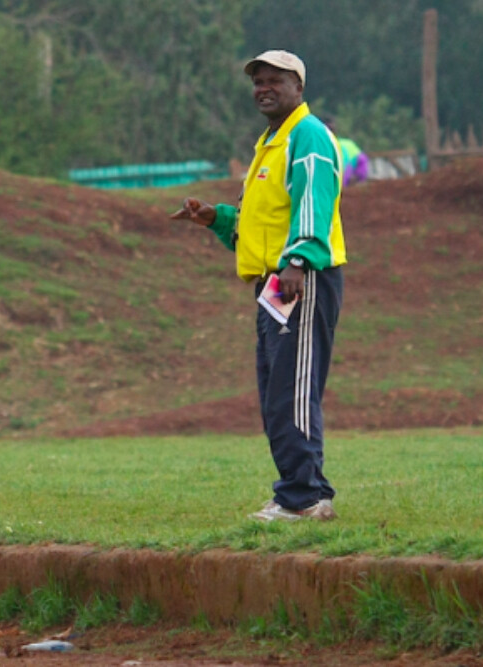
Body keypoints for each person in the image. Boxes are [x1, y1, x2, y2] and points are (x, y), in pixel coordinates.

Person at [170, 50, 347, 523]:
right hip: (275, 283)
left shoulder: (308, 135)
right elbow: (264, 221)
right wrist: (216, 218)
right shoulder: (271, 142)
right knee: (277, 390)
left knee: (293, 389)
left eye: (275, 80)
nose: (263, 88)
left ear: (299, 87)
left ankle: (303, 498)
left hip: (300, 278)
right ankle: (302, 493)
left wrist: (298, 260)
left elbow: (314, 200)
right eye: (257, 81)